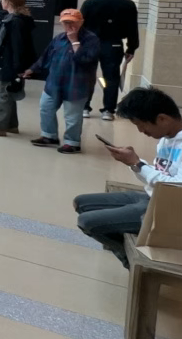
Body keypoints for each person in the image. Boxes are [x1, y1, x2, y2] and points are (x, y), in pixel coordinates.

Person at [74, 88, 182, 268]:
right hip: (151, 198)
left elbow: (176, 187)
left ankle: (132, 262)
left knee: (87, 222)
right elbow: (157, 176)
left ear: (162, 118)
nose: (141, 131)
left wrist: (138, 163)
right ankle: (126, 243)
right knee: (81, 203)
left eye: (141, 124)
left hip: (169, 211)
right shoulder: (166, 138)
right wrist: (134, 163)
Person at [25, 9, 100, 154]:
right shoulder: (59, 38)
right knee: (45, 108)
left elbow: (85, 60)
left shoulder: (92, 40)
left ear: (81, 22)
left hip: (76, 84)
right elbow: (46, 56)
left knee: (72, 116)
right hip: (54, 82)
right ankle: (49, 135)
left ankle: (72, 142)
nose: (69, 26)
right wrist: (32, 69)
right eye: (65, 23)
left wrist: (74, 41)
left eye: (72, 22)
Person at [79, 0, 139, 120]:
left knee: (87, 75)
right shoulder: (128, 4)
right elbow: (132, 28)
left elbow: (80, 25)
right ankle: (108, 111)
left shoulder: (89, 3)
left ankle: (84, 107)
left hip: (90, 44)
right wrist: (131, 48)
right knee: (111, 78)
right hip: (114, 44)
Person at [0, 0, 36, 137]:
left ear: (9, 3)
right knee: (9, 93)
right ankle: (11, 124)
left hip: (10, 64)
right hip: (8, 62)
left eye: (3, 0)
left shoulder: (15, 22)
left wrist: (18, 67)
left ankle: (0, 125)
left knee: (3, 94)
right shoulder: (15, 19)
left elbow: (18, 46)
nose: (1, 2)